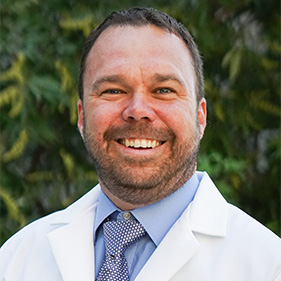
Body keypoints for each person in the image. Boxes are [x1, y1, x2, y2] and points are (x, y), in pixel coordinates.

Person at [0, 7, 280, 281]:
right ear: (82, 116)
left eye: (164, 90)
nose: (138, 109)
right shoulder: (16, 258)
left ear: (200, 116)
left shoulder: (267, 265)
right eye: (113, 90)